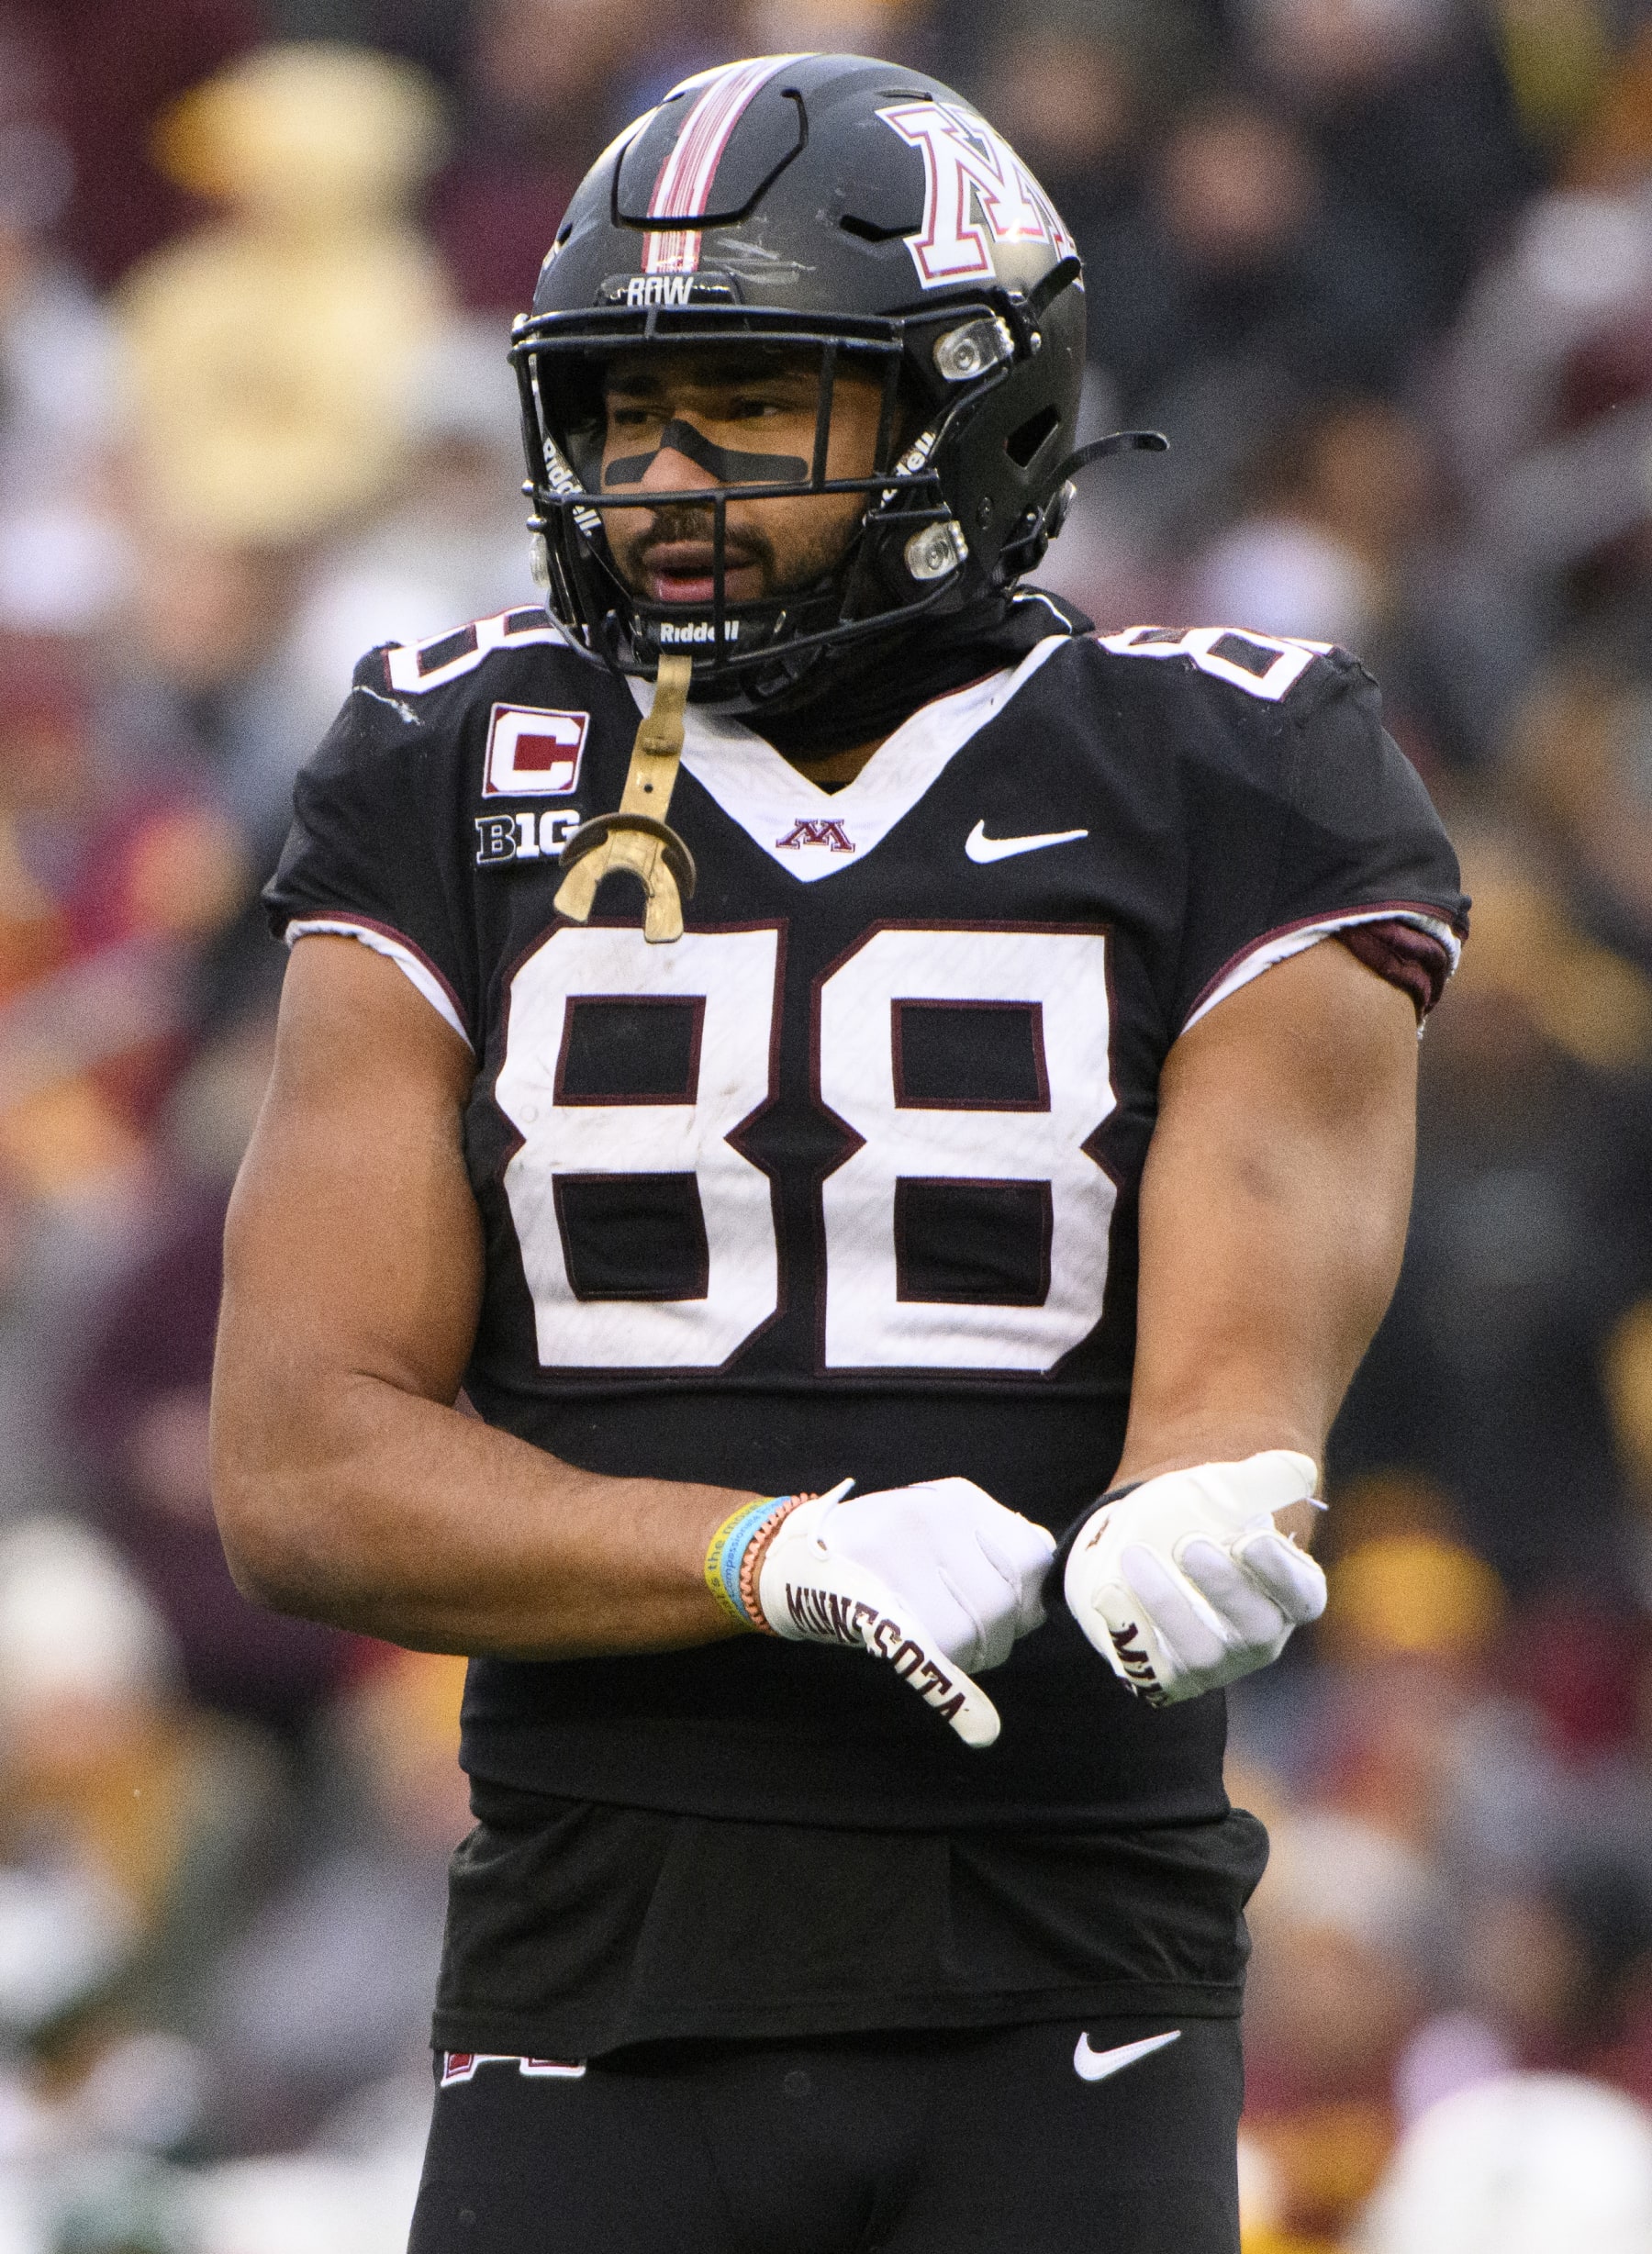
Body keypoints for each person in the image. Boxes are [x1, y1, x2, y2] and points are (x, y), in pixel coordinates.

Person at [209, 51, 1468, 2254]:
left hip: (1067, 1952)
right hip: (596, 1954)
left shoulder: (1235, 765)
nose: (662, 479)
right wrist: (765, 1549)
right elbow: (302, 1464)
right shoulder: (453, 753)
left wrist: (1207, 1506)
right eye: (622, 412)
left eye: (747, 402)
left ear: (974, 409)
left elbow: (1236, 1374)